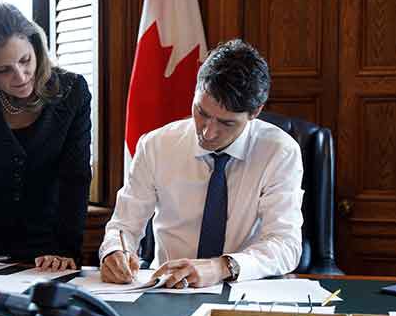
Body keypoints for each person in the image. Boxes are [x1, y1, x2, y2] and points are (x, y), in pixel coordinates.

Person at [99, 39, 304, 287]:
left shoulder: (279, 152)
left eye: (226, 123)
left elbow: (286, 244)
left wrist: (221, 267)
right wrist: (113, 251)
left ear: (255, 112)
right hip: (167, 289)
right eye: (202, 113)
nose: (208, 133)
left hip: (242, 288)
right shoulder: (156, 145)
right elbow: (123, 226)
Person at [0, 2, 92, 273]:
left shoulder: (72, 91)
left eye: (25, 61)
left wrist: (64, 247)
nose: (21, 77)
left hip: (52, 250)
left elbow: (75, 177)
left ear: (36, 48)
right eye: (4, 70)